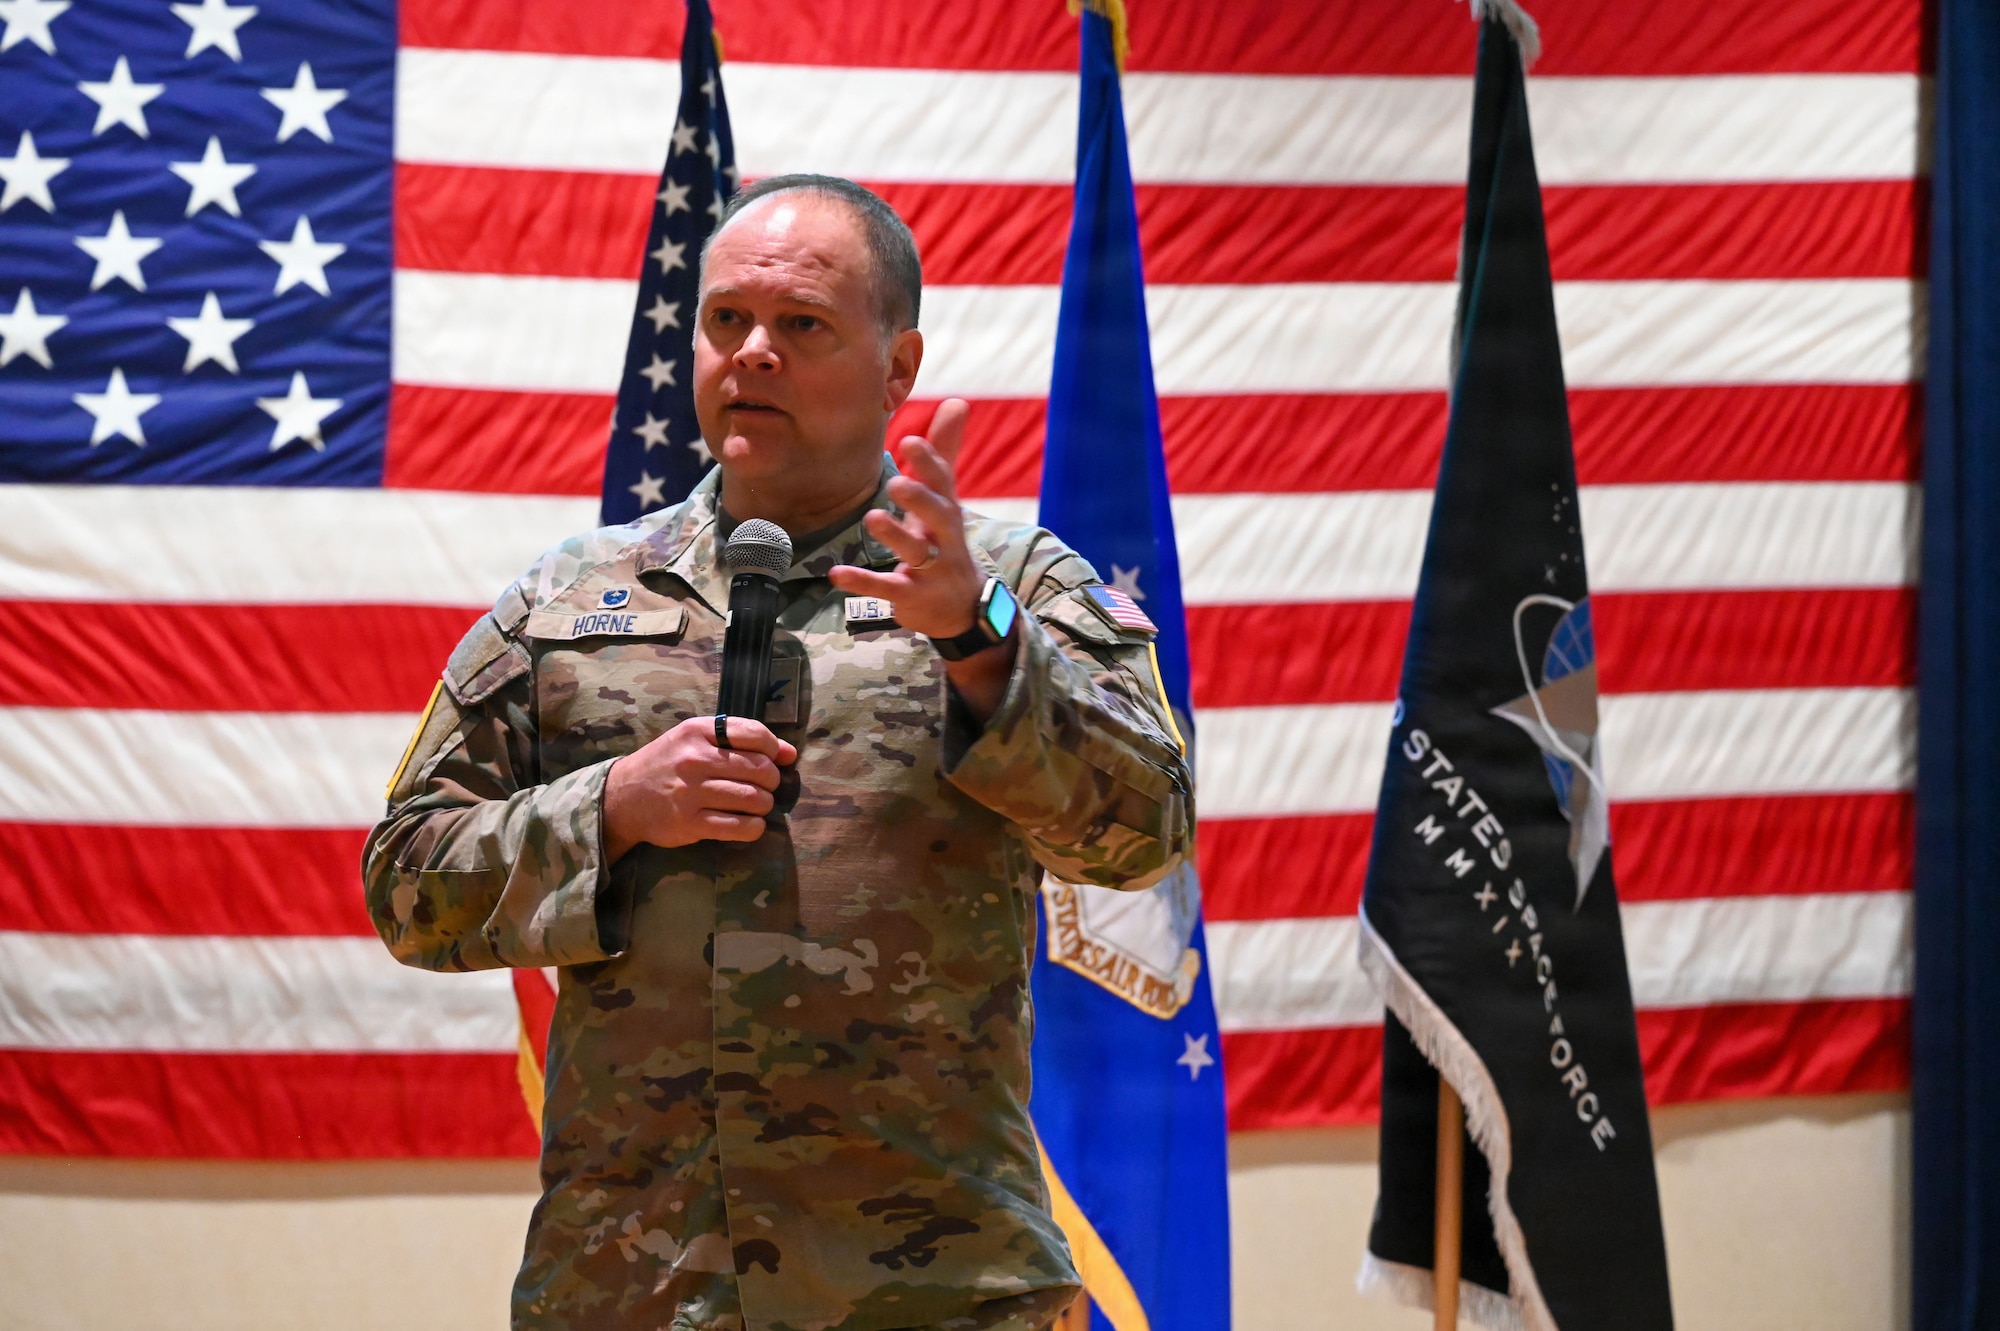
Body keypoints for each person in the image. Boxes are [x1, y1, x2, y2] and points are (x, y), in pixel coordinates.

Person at [363, 174, 1193, 1331]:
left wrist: (976, 634)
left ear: (898, 366)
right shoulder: (568, 600)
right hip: (634, 1285)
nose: (750, 353)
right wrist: (610, 805)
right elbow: (406, 884)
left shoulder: (1012, 588)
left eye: (799, 325)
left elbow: (1141, 831)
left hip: (934, 1286)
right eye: (724, 321)